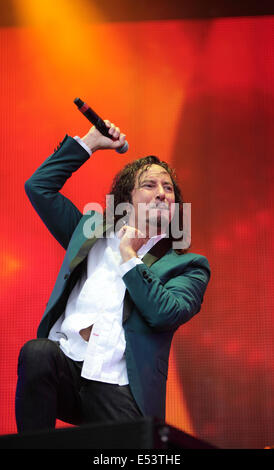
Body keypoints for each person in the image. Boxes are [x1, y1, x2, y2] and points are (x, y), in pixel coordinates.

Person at [15, 120, 211, 433]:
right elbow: (39, 187)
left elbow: (164, 314)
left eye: (168, 188)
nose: (162, 193)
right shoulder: (88, 233)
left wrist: (129, 257)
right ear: (127, 199)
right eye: (149, 185)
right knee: (37, 353)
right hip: (67, 364)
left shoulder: (187, 266)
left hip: (118, 385)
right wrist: (90, 142)